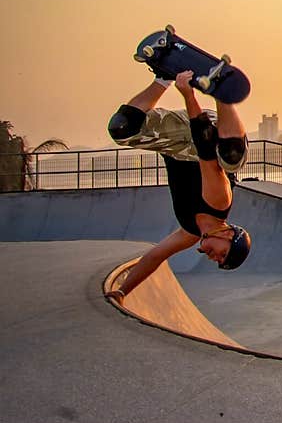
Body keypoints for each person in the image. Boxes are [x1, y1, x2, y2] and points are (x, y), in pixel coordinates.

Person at [104, 70, 251, 303]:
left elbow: (154, 257)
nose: (214, 257)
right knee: (232, 157)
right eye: (222, 253)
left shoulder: (189, 233)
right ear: (228, 233)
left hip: (176, 148)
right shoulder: (219, 201)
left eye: (217, 261)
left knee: (122, 130)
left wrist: (122, 291)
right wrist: (188, 95)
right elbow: (204, 146)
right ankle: (223, 93)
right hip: (205, 134)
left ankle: (162, 77)